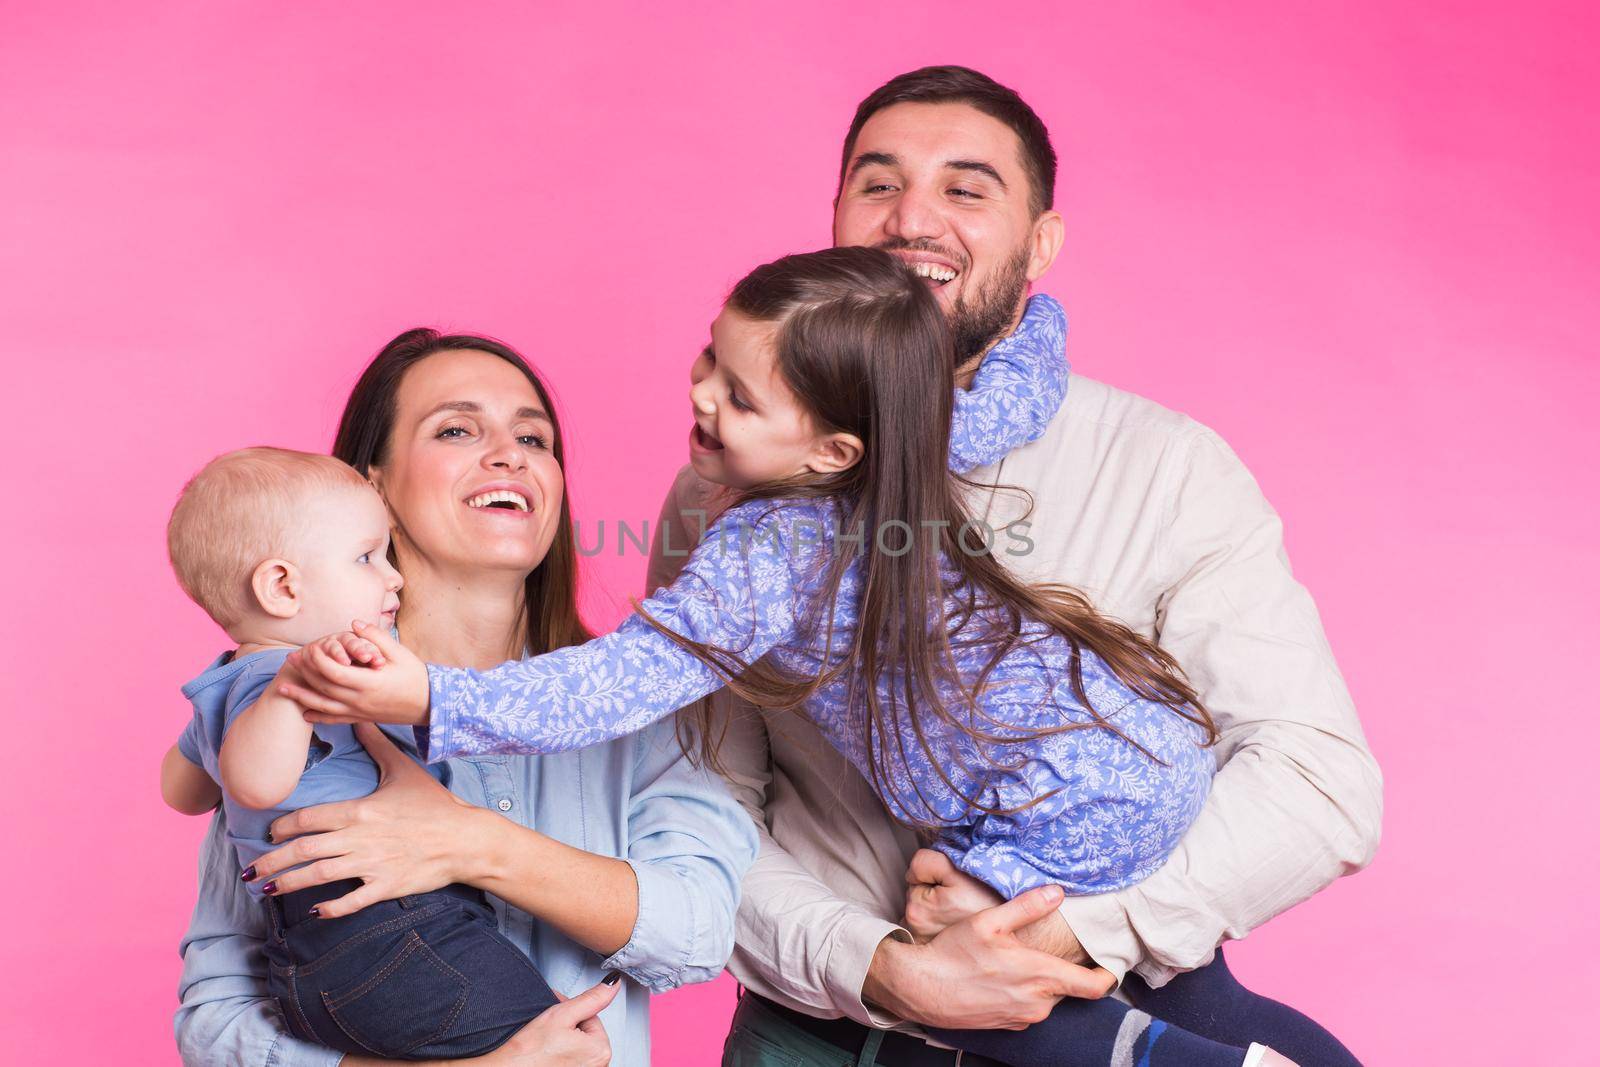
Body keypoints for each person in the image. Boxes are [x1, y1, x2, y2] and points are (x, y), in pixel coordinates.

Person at [284, 247, 1312, 1066]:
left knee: (962, 982)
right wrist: (1033, 312)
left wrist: (428, 692)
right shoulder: (915, 424)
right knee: (1202, 986)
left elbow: (622, 677)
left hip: (1058, 793)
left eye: (739, 396)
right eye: (709, 360)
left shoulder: (770, 549)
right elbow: (1024, 386)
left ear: (830, 453)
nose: (701, 396)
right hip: (1140, 741)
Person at [639, 66, 1380, 1066]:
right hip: (820, 1033)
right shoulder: (722, 494)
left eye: (965, 188)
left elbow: (1316, 782)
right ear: (834, 218)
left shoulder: (1162, 466)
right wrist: (883, 965)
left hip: (1107, 1015)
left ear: (1040, 243)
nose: (912, 219)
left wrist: (1068, 934)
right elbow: (697, 804)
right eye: (878, 182)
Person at [172, 330, 758, 1065]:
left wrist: (469, 842)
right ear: (371, 485)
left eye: (534, 437)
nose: (510, 453)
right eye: (456, 427)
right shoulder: (305, 699)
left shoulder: (639, 703)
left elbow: (700, 930)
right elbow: (217, 1018)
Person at [162, 446, 566, 1058]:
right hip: (386, 931)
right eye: (366, 558)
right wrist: (289, 698)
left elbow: (181, 790)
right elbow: (255, 784)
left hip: (317, 958)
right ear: (281, 586)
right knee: (550, 1042)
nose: (393, 575)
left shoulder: (222, 689)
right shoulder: (284, 679)